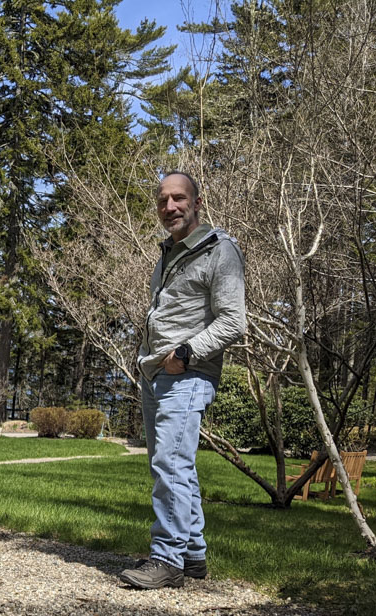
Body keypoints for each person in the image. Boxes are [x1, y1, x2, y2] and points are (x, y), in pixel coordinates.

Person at [119, 171, 247, 590]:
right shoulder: (169, 251)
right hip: (157, 372)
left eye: (178, 198)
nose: (169, 207)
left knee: (169, 464)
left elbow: (234, 321)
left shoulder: (219, 251)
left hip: (187, 373)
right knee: (178, 466)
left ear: (197, 201)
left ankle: (167, 558)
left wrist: (186, 353)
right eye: (162, 200)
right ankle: (192, 556)